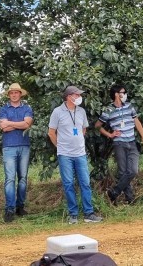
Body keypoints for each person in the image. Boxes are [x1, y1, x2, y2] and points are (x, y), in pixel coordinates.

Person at [48, 85, 103, 224]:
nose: (80, 97)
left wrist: (77, 141)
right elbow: (51, 132)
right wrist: (60, 146)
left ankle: (88, 214)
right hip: (64, 154)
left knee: (85, 183)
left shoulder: (81, 111)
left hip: (80, 153)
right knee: (68, 184)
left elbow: (83, 129)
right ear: (69, 96)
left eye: (80, 95)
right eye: (77, 95)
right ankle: (73, 214)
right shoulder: (57, 112)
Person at [96, 84, 143, 205]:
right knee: (122, 172)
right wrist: (109, 134)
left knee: (133, 171)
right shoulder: (108, 110)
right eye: (122, 92)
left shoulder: (129, 106)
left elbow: (137, 122)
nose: (125, 94)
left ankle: (113, 192)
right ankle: (130, 199)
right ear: (116, 94)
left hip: (132, 142)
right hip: (119, 143)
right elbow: (97, 126)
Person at [0, 83, 34, 223]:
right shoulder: (3, 109)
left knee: (23, 178)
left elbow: (27, 124)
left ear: (20, 94)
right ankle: (9, 209)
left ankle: (20, 207)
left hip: (24, 146)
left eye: (16, 92)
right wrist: (19, 124)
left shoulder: (27, 108)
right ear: (9, 95)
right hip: (8, 147)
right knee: (10, 179)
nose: (14, 95)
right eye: (11, 93)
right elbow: (3, 127)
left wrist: (10, 123)